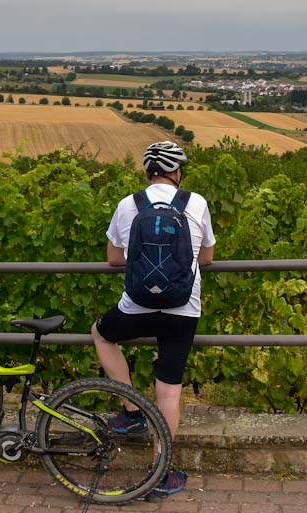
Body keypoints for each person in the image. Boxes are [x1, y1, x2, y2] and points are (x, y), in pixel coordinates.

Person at [91, 141, 215, 498]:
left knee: (101, 335)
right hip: (183, 309)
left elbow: (114, 257)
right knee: (169, 389)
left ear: (147, 174)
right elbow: (207, 256)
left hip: (137, 306)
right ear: (179, 173)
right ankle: (163, 472)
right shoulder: (197, 203)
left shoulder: (129, 204)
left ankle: (131, 411)